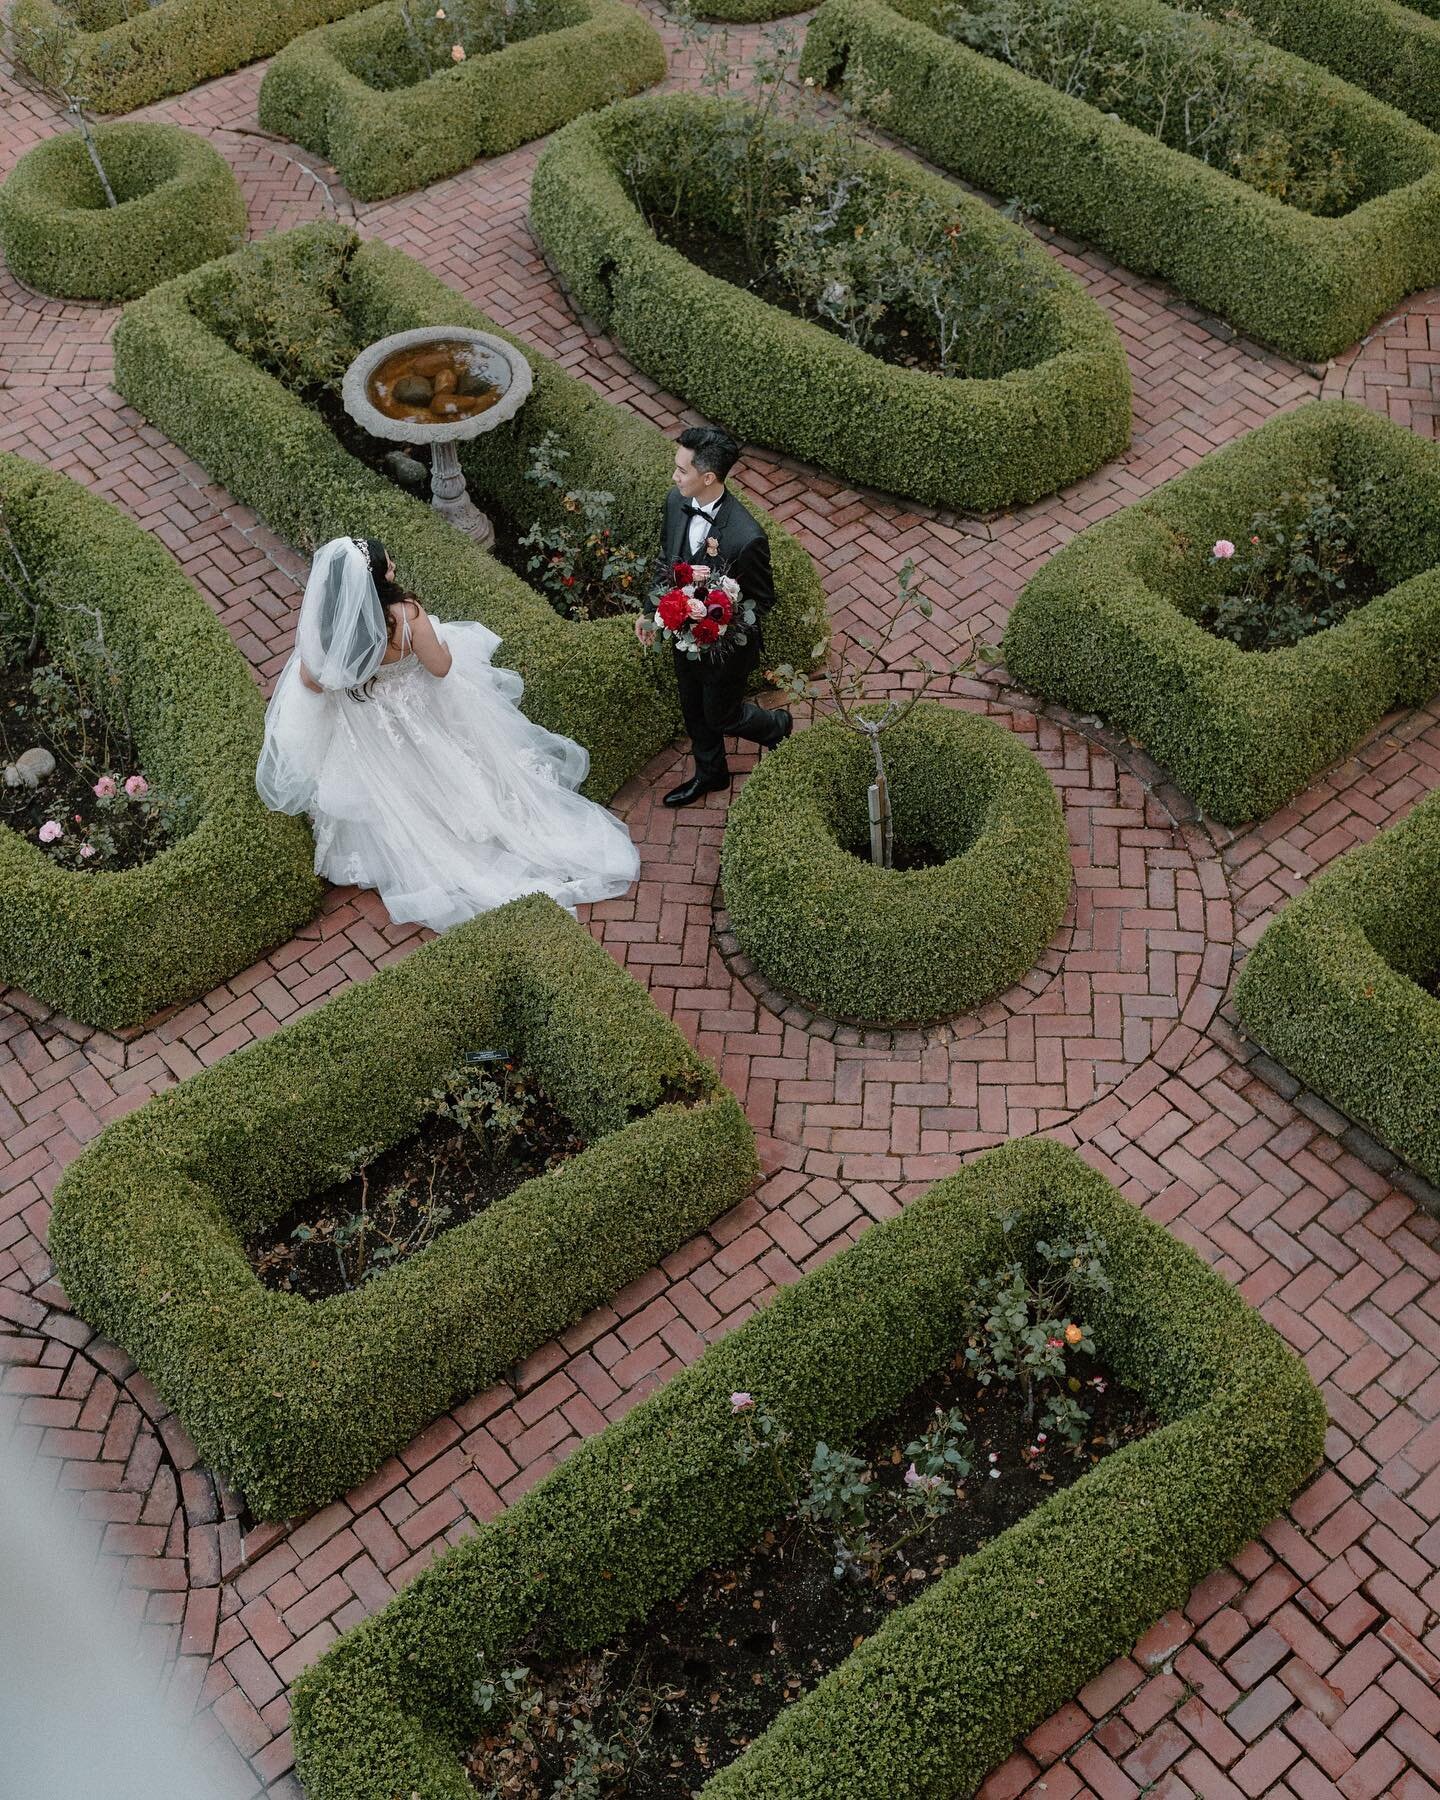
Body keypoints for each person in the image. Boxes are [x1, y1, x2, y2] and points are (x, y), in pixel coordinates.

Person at [256, 536, 638, 931]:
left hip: (370, 730)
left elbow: (312, 682)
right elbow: (439, 667)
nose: (394, 569)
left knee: (402, 794)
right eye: (388, 566)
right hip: (421, 717)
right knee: (454, 772)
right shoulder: (406, 616)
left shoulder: (327, 630)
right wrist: (445, 645)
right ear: (375, 579)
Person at [637, 426, 792, 808]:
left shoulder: (746, 537)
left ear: (708, 477)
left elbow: (763, 600)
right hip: (680, 635)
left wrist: (718, 624)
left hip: (725, 651)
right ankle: (712, 774)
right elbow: (666, 560)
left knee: (721, 714)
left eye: (681, 470)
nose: (674, 476)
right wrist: (652, 612)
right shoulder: (677, 501)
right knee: (692, 708)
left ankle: (778, 727)